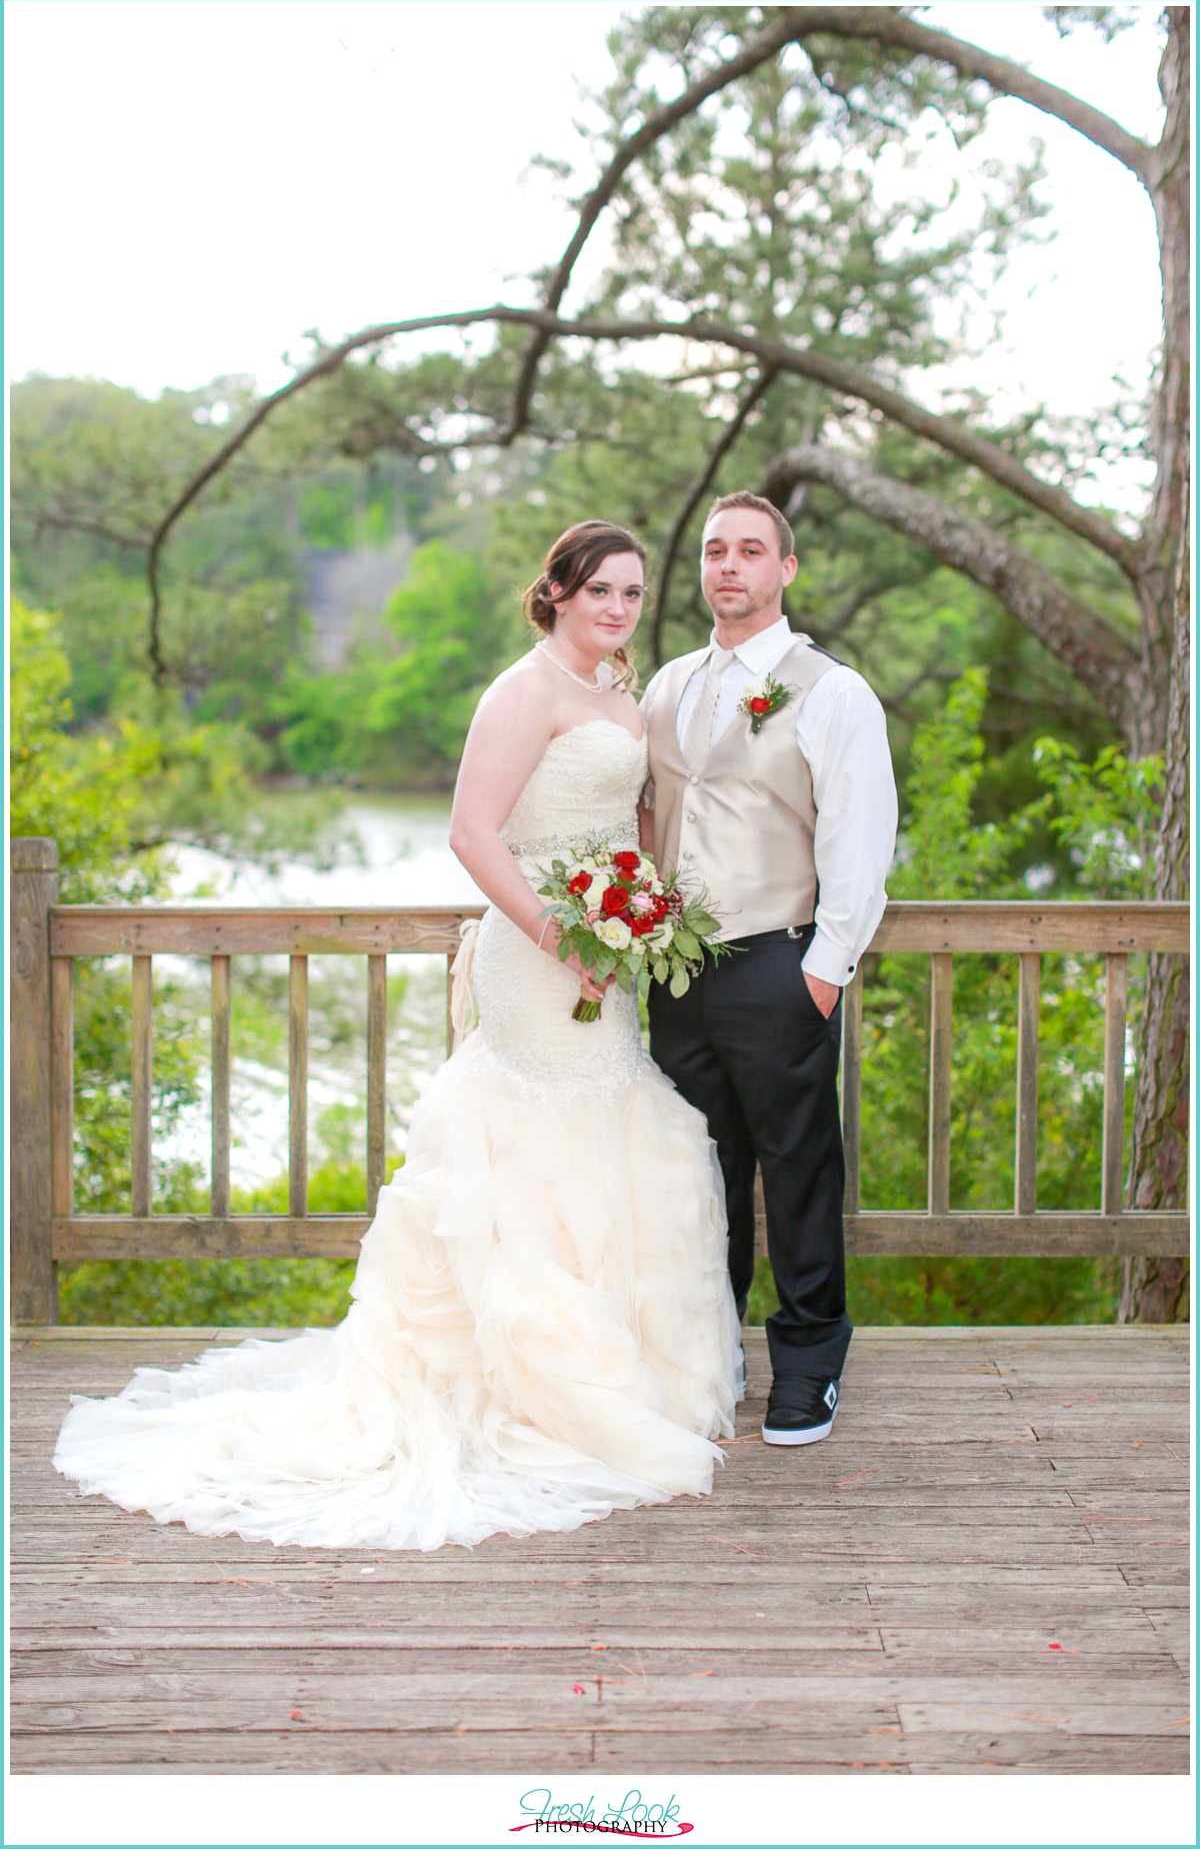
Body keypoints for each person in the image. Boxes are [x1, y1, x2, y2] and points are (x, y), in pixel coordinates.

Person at [53, 521, 741, 1552]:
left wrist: (633, 915)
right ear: (554, 592)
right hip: (535, 956)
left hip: (608, 955)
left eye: (634, 592)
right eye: (599, 589)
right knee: (530, 1152)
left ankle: (613, 1374)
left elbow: (628, 819)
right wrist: (563, 930)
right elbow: (471, 831)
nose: (617, 608)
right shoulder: (526, 688)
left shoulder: (616, 688)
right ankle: (519, 1380)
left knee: (614, 1138)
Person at [641, 492, 897, 1448]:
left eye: (751, 550)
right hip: (673, 971)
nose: (729, 566)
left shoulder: (831, 690)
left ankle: (810, 1362)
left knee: (796, 1169)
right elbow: (649, 815)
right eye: (715, 551)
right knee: (698, 1173)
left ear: (785, 570)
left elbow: (860, 839)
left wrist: (823, 972)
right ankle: (713, 1353)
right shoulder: (668, 684)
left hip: (779, 963)